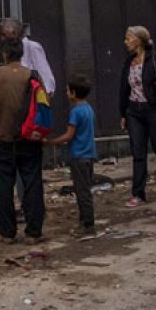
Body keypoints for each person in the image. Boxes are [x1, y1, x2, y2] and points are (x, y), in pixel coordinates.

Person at [116, 26, 156, 207]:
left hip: (153, 109)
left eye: (128, 38)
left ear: (138, 40)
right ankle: (138, 193)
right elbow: (123, 89)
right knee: (138, 152)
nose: (126, 42)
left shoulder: (154, 60)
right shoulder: (128, 62)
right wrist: (123, 113)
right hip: (133, 111)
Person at [0, 39, 45, 243]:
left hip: (3, 138)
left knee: (3, 186)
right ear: (21, 54)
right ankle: (33, 231)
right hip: (29, 138)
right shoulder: (32, 75)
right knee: (32, 183)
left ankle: (7, 233)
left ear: (4, 54)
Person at [46, 77, 96, 236]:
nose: (66, 92)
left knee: (82, 192)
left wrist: (51, 142)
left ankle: (87, 225)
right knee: (85, 190)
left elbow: (69, 135)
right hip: (89, 154)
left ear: (74, 93)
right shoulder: (88, 109)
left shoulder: (75, 112)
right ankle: (85, 222)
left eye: (68, 90)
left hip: (78, 155)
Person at [0, 18, 56, 95]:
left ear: (14, 33)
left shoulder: (33, 47)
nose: (2, 38)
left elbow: (46, 76)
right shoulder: (9, 49)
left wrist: (43, 98)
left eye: (4, 35)